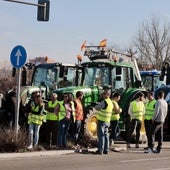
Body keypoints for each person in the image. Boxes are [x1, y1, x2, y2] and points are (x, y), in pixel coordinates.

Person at [95, 89, 113, 155]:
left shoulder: (104, 102)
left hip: (102, 121)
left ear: (108, 94)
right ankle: (106, 149)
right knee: (106, 135)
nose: (103, 95)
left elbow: (97, 108)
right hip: (107, 121)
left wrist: (96, 105)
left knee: (101, 135)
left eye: (104, 94)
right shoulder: (110, 102)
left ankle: (100, 150)